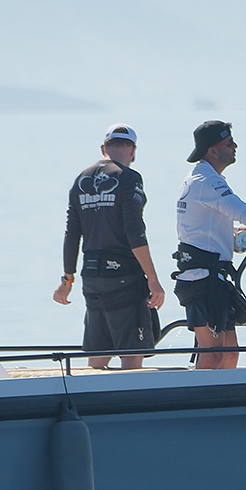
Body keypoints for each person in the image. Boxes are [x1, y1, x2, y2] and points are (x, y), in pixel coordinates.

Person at [53, 126, 165, 370]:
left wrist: (67, 279)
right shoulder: (129, 178)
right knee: (132, 356)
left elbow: (72, 233)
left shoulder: (81, 180)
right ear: (133, 151)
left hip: (91, 276)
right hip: (124, 276)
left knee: (98, 355)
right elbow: (134, 231)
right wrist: (153, 279)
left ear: (103, 148)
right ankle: (130, 405)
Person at [172, 120, 246, 369]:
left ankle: (222, 397)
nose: (235, 146)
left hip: (214, 279)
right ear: (213, 150)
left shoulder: (205, 180)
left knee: (230, 353)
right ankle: (199, 401)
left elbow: (222, 233)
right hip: (201, 280)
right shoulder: (206, 182)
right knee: (214, 354)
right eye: (229, 143)